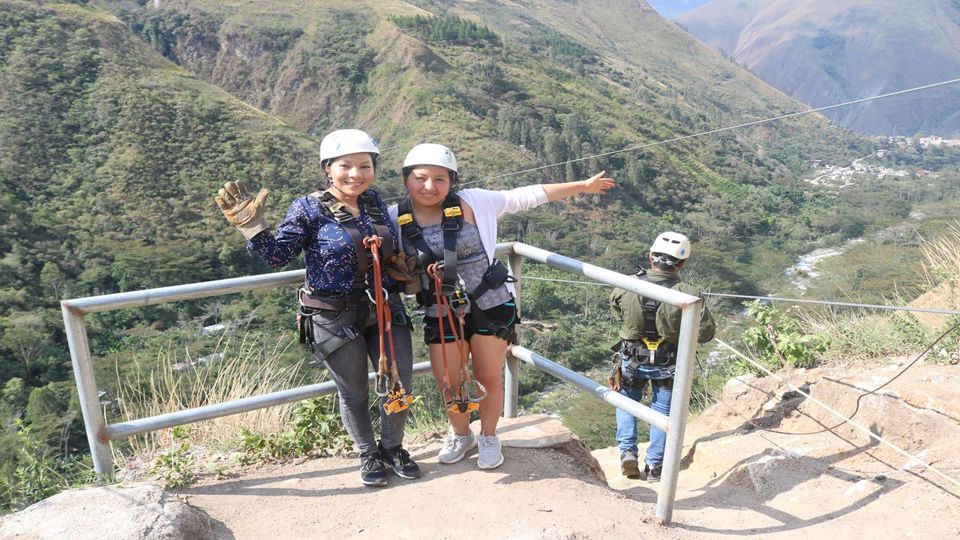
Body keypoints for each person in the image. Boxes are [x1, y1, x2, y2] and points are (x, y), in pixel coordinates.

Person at [389, 143, 615, 469]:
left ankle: (489, 436)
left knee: (487, 376)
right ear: (406, 179)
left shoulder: (474, 202)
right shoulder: (396, 218)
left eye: (440, 179)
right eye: (420, 178)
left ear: (452, 181)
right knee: (449, 381)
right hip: (439, 308)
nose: (429, 186)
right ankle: (462, 434)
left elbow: (526, 196)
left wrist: (582, 186)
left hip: (490, 302)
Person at [214, 129, 420, 488]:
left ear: (373, 168)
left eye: (364, 166)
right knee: (353, 391)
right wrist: (253, 227)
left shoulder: (373, 202)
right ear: (328, 168)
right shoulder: (308, 207)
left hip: (383, 307)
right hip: (332, 313)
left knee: (398, 382)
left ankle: (393, 447)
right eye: (345, 166)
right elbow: (279, 256)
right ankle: (368, 453)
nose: (355, 174)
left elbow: (388, 251)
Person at [608, 231, 716, 481]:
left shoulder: (626, 285)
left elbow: (617, 312)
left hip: (632, 359)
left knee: (627, 402)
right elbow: (706, 332)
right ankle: (655, 467)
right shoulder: (688, 292)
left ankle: (627, 452)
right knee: (662, 412)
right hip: (668, 363)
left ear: (650, 256)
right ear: (682, 263)